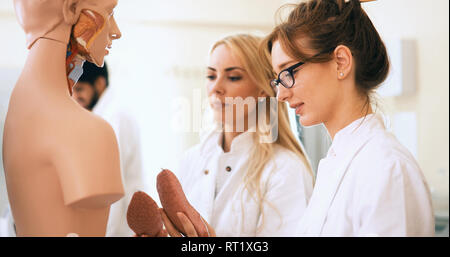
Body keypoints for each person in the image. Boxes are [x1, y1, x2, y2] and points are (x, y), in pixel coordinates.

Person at [263, 0, 434, 236]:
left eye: (289, 72)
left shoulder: (386, 169)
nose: (281, 94)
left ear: (341, 62)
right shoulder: (336, 163)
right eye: (277, 80)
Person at [160, 34, 314, 237]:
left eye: (233, 77)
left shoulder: (285, 169)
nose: (216, 88)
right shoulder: (191, 160)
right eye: (211, 76)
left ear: (262, 89)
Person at [73, 62, 144, 237]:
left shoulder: (115, 118)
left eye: (80, 89)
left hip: (118, 229)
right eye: (73, 90)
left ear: (99, 84)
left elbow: (111, 191)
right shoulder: (102, 116)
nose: (75, 97)